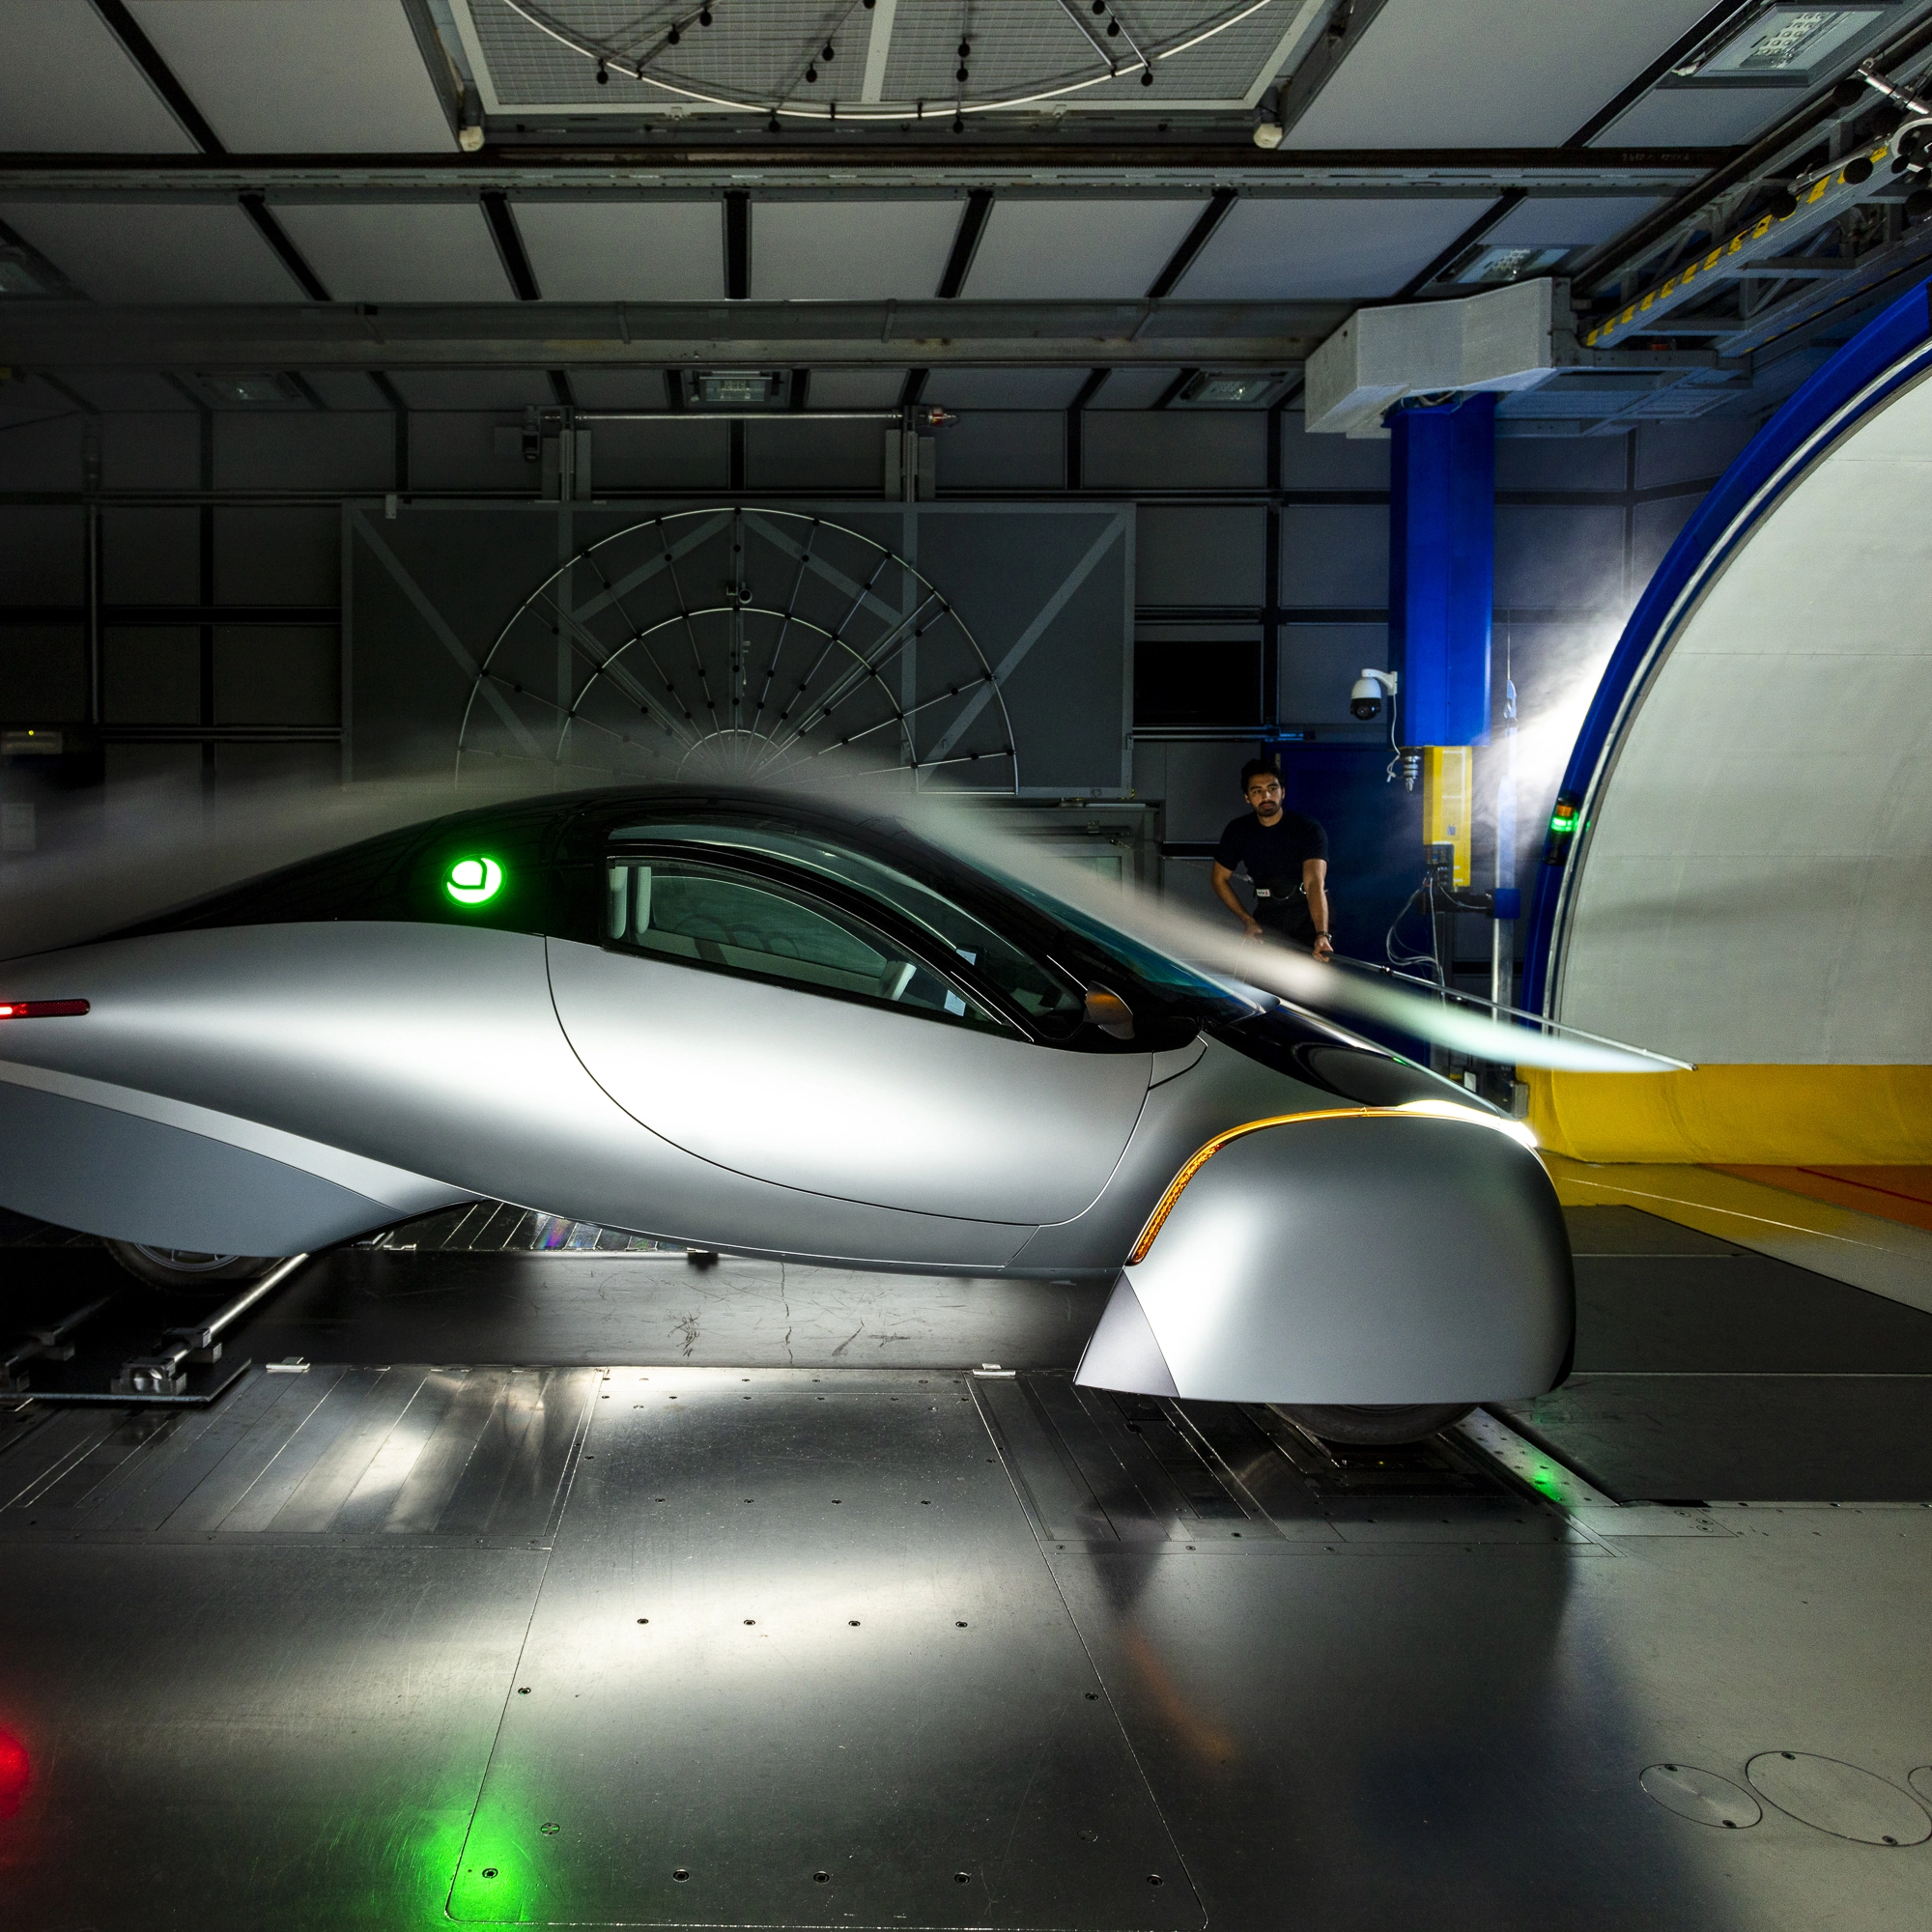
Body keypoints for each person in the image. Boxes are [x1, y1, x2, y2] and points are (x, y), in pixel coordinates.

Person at [1211, 758, 1334, 961]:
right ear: (1247, 798)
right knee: (1264, 985)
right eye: (1257, 791)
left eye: (1272, 788)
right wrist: (1247, 921)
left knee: (1308, 986)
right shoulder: (1238, 830)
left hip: (1308, 915)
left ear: (1282, 792)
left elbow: (1314, 883)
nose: (1266, 796)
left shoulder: (1307, 829)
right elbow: (1218, 879)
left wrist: (1322, 934)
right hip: (1268, 914)